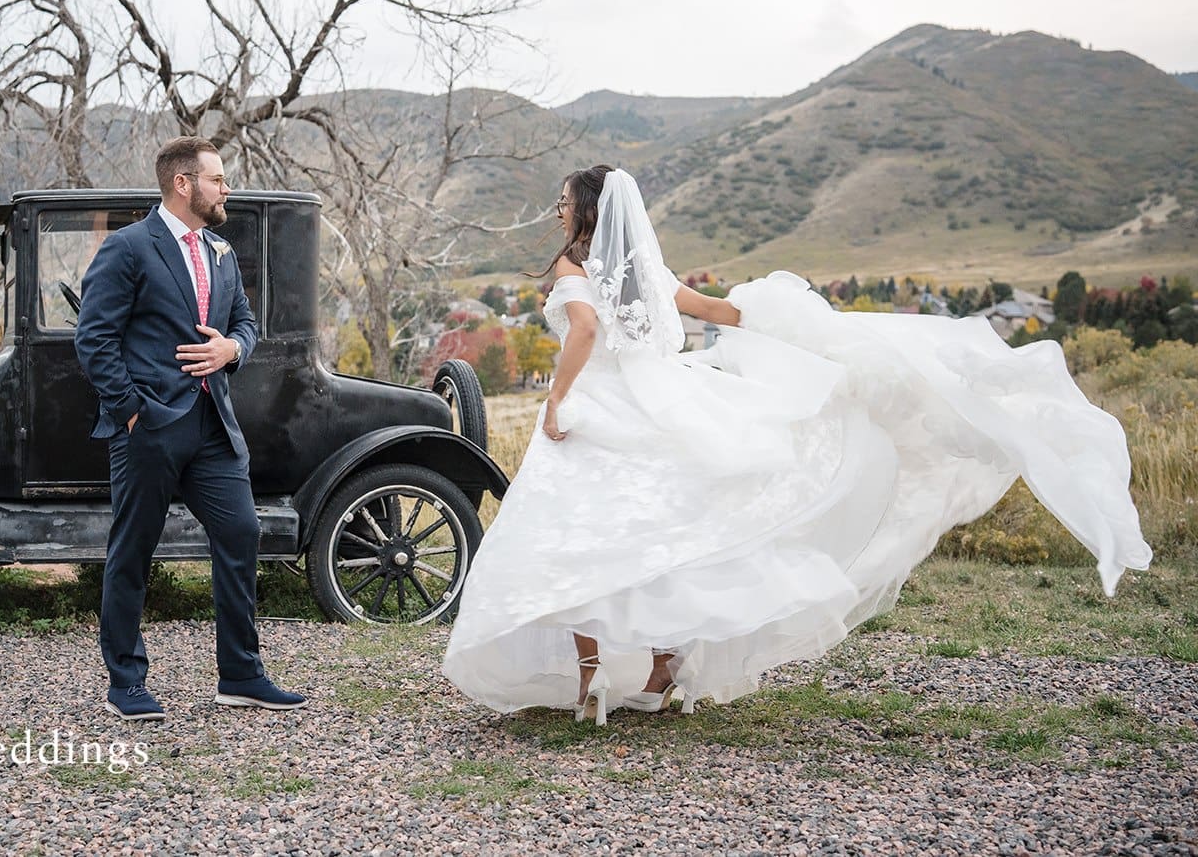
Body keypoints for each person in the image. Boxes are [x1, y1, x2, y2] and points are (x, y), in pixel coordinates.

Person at [441, 165, 1151, 725]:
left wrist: (558, 397)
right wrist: (792, 322)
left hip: (599, 406)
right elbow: (719, 313)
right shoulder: (649, 274)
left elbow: (588, 334)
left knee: (579, 541)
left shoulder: (572, 270)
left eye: (563, 201)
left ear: (588, 211)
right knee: (669, 533)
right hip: (660, 401)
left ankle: (594, 682)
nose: (557, 210)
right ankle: (659, 671)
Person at [75, 136, 307, 719]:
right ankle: (125, 682)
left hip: (213, 428)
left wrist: (233, 349)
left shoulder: (222, 252)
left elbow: (245, 323)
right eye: (218, 179)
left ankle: (241, 675)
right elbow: (94, 339)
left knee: (241, 533)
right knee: (133, 549)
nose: (226, 189)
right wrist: (131, 409)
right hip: (148, 426)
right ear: (184, 184)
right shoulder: (129, 248)